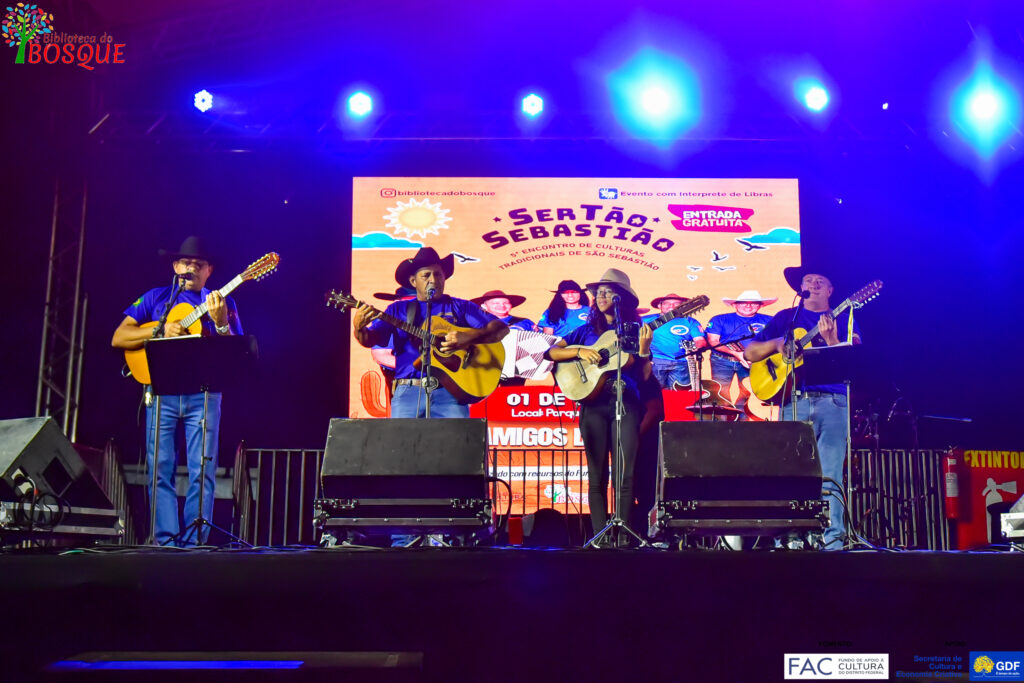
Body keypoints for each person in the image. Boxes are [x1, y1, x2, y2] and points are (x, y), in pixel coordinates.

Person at [111, 236, 243, 546]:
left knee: (202, 469)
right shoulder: (157, 298)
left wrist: (221, 323)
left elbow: (236, 352)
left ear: (209, 271)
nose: (192, 268)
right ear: (175, 266)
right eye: (186, 263)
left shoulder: (223, 301)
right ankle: (166, 541)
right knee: (160, 469)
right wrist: (159, 329)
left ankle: (195, 541)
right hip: (162, 393)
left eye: (199, 265)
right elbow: (119, 337)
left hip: (205, 393)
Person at [744, 266, 861, 550]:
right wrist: (777, 344)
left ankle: (832, 540)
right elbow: (750, 353)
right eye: (808, 280)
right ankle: (793, 537)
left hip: (833, 401)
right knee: (791, 473)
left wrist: (832, 341)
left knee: (830, 473)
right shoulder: (786, 317)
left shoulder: (845, 318)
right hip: (792, 399)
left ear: (831, 291)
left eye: (821, 280)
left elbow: (855, 361)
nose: (814, 283)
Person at [545, 268, 653, 544]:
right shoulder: (586, 330)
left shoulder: (635, 330)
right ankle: (599, 536)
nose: (600, 296)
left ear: (622, 298)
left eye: (607, 292)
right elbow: (552, 352)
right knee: (597, 474)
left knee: (624, 472)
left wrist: (642, 351)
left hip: (626, 402)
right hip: (593, 404)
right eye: (598, 292)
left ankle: (624, 534)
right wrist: (580, 351)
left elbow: (642, 376)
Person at [352, 247, 508, 418]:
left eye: (438, 274)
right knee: (401, 443)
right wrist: (359, 328)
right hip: (407, 392)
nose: (433, 280)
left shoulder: (461, 307)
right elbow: (370, 339)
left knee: (456, 443)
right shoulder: (397, 309)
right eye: (426, 275)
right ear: (413, 282)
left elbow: (500, 328)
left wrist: (468, 337)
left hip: (451, 392)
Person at [704, 290, 776, 416]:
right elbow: (713, 341)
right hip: (722, 361)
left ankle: (741, 419)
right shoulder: (719, 319)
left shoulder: (770, 320)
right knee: (720, 392)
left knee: (748, 392)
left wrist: (757, 356)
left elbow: (776, 341)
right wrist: (735, 353)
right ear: (735, 304)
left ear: (760, 305)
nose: (748, 306)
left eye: (753, 303)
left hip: (754, 361)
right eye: (743, 302)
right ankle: (723, 422)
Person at [642, 293, 706, 390]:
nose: (671, 306)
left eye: (676, 304)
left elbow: (700, 340)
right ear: (660, 305)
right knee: (653, 393)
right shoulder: (646, 320)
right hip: (655, 361)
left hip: (682, 363)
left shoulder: (690, 321)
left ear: (683, 306)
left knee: (679, 394)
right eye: (667, 303)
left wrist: (698, 348)